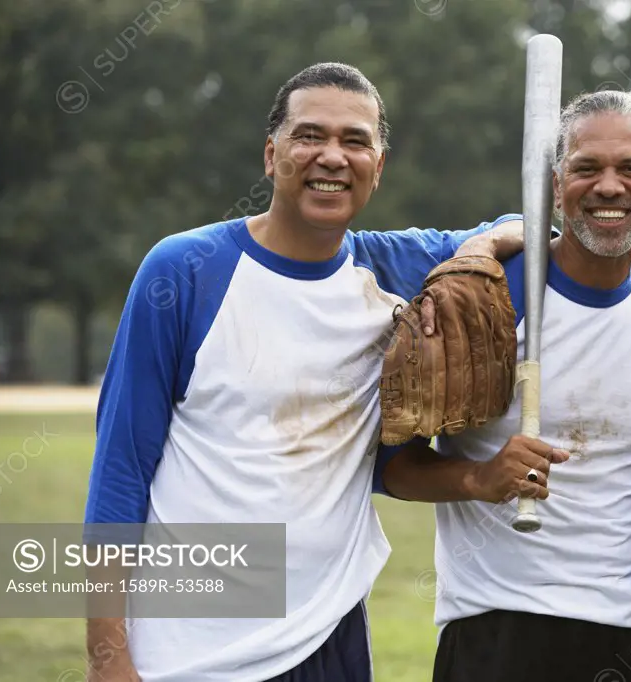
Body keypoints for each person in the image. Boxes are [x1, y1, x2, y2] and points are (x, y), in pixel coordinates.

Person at [82, 62, 527, 682]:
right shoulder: (185, 270)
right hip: (187, 651)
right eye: (309, 136)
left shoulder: (396, 270)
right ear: (271, 155)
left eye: (355, 141)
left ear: (379, 164)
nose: (332, 157)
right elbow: (121, 469)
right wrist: (108, 656)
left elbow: (525, 224)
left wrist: (479, 251)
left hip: (329, 638)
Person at [375, 90, 631, 682]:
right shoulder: (483, 297)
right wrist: (478, 479)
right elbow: (390, 468)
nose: (609, 186)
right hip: (492, 633)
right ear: (556, 187)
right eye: (587, 168)